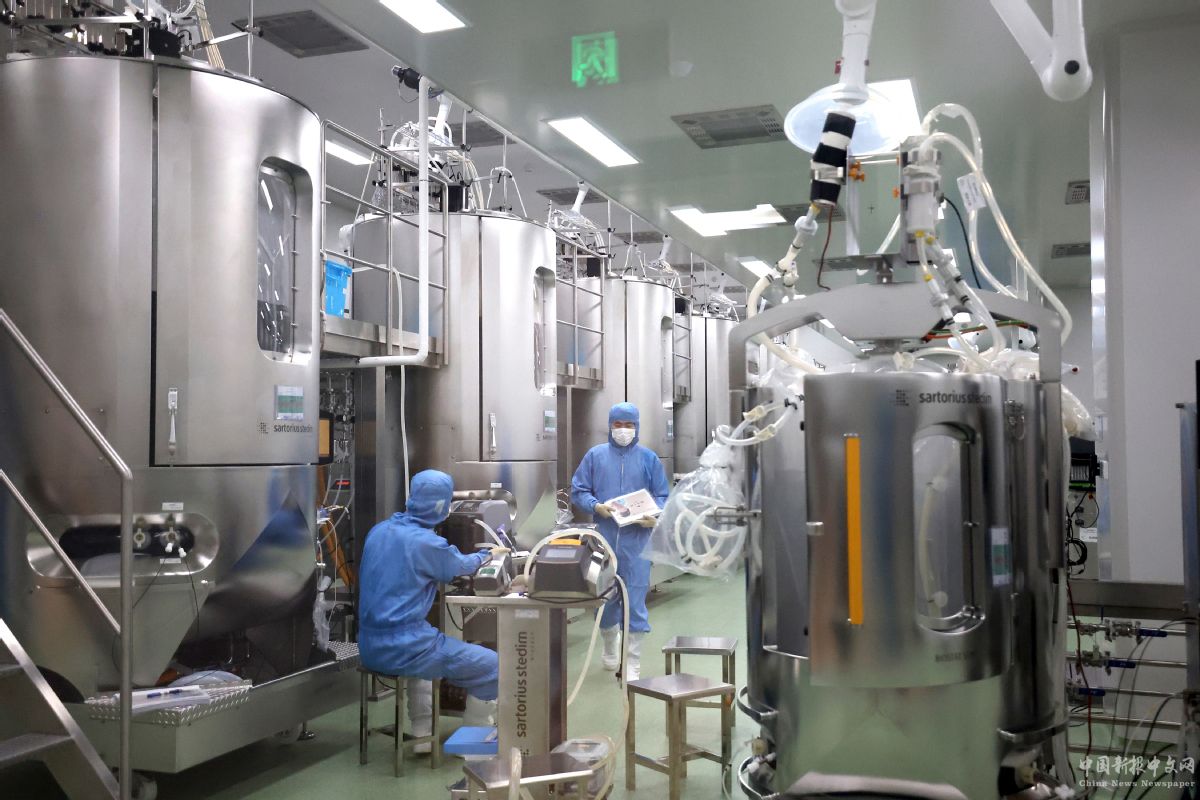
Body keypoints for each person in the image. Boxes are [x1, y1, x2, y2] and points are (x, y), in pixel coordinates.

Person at [358, 469, 498, 746]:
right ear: (441, 505)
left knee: (427, 659)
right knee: (493, 666)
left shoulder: (379, 531)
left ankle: (422, 735)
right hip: (406, 647)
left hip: (369, 644)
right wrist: (488, 555)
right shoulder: (426, 543)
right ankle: (473, 744)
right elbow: (459, 565)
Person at [570, 402, 671, 680]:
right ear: (609, 426)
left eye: (629, 425)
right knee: (604, 598)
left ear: (637, 427)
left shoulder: (649, 459)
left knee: (635, 601)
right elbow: (578, 490)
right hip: (603, 541)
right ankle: (609, 645)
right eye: (618, 424)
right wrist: (595, 505)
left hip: (637, 543)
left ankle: (632, 661)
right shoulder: (595, 456)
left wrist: (655, 516)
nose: (623, 430)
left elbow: (663, 495)